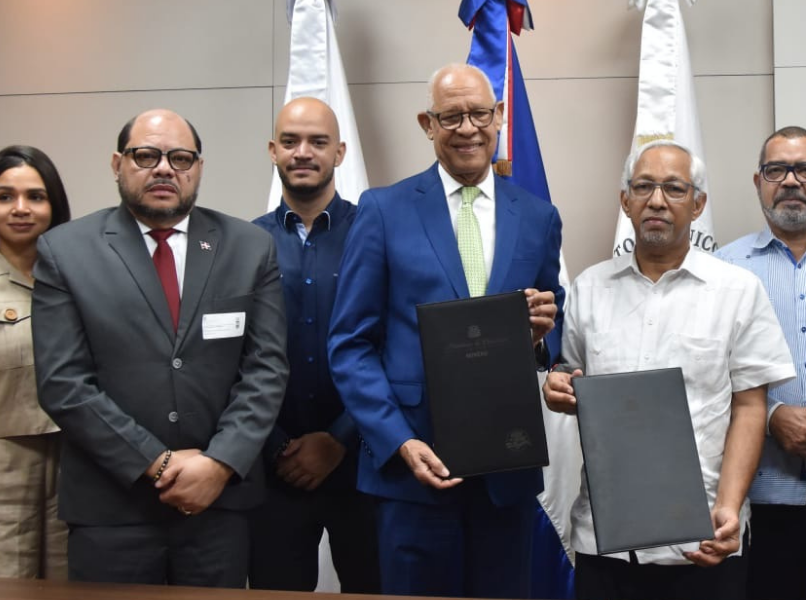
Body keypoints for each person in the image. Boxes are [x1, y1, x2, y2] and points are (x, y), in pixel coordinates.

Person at [327, 63, 562, 598]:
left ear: (500, 117)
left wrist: (540, 334)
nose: (467, 127)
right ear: (426, 124)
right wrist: (399, 441)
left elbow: (553, 325)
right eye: (450, 115)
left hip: (507, 469)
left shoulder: (539, 216)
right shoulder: (383, 210)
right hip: (413, 470)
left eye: (479, 113)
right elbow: (350, 345)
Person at [31, 109, 288, 587]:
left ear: (199, 168)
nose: (165, 168)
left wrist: (220, 463)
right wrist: (159, 462)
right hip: (112, 510)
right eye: (146, 155)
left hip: (219, 507)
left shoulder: (251, 247)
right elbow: (63, 384)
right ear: (117, 163)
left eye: (181, 157)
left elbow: (266, 370)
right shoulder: (65, 252)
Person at [543, 139, 796, 600]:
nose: (656, 200)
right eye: (643, 186)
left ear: (698, 204)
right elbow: (572, 375)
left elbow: (750, 406)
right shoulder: (588, 289)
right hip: (606, 539)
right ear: (625, 200)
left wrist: (730, 507)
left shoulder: (737, 290)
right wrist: (557, 386)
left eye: (674, 188)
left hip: (702, 536)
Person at [715, 127, 806, 600]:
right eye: (776, 169)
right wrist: (773, 416)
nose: (791, 181)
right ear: (758, 181)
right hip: (759, 496)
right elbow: (704, 374)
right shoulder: (723, 269)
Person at [249, 97, 379, 593]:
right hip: (271, 470)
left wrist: (337, 440)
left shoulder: (375, 235)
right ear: (272, 151)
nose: (303, 152)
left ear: (340, 152)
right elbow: (230, 361)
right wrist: (279, 444)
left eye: (318, 142)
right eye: (290, 141)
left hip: (364, 461)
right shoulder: (243, 244)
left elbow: (391, 345)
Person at [0, 146, 72, 578]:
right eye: (4, 196)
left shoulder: (79, 284)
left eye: (35, 196)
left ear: (54, 206)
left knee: (78, 586)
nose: (20, 209)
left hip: (76, 465)